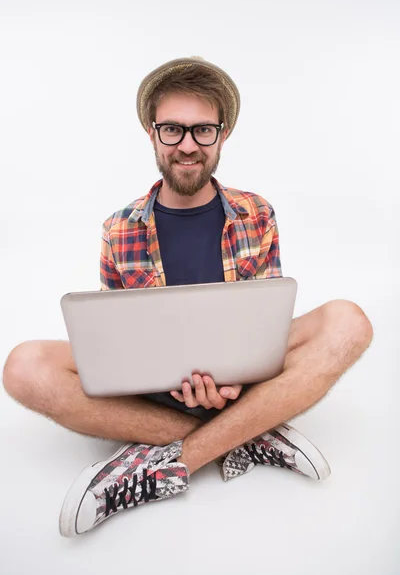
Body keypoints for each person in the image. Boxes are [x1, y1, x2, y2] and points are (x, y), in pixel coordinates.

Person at [2, 56, 373, 538]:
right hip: (155, 391)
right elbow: (114, 339)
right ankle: (247, 434)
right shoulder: (119, 228)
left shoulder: (255, 213)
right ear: (152, 134)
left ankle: (168, 467)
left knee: (349, 321)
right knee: (22, 365)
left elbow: (267, 319)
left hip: (242, 384)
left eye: (203, 131)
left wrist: (238, 380)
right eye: (173, 130)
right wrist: (164, 381)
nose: (188, 146)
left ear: (222, 136)